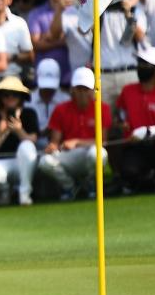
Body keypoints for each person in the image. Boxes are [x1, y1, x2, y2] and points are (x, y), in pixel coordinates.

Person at [37, 67, 112, 200]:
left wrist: (77, 142)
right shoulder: (60, 109)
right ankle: (70, 187)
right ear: (72, 90)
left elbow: (102, 141)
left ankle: (91, 184)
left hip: (89, 153)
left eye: (85, 89)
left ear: (92, 90)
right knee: (44, 162)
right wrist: (53, 146)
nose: (82, 93)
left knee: (98, 153)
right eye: (79, 89)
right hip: (68, 155)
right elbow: (55, 141)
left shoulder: (102, 108)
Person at [111, 46, 155, 193]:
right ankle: (143, 181)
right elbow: (121, 117)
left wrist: (144, 131)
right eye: (139, 63)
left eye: (144, 64)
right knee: (128, 170)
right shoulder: (127, 91)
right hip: (134, 146)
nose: (140, 67)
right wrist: (121, 124)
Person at [0, 77, 39, 206]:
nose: (10, 98)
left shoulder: (29, 113)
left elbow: (33, 141)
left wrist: (19, 131)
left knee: (26, 146)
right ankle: (5, 192)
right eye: (6, 95)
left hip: (24, 164)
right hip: (1, 163)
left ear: (21, 97)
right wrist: (0, 132)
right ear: (0, 97)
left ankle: (24, 193)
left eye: (15, 95)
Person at [95, 0, 148, 108]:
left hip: (129, 73)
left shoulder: (135, 10)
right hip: (104, 75)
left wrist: (128, 14)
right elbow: (83, 30)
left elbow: (140, 37)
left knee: (133, 115)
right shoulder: (97, 9)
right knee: (104, 117)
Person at [29, 0, 73, 86]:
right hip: (43, 78)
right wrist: (63, 41)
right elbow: (36, 44)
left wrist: (47, 38)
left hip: (71, 77)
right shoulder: (36, 13)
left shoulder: (76, 10)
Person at [26, 58, 70, 149]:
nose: (48, 90)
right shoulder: (28, 101)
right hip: (34, 146)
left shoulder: (66, 100)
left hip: (61, 146)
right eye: (45, 87)